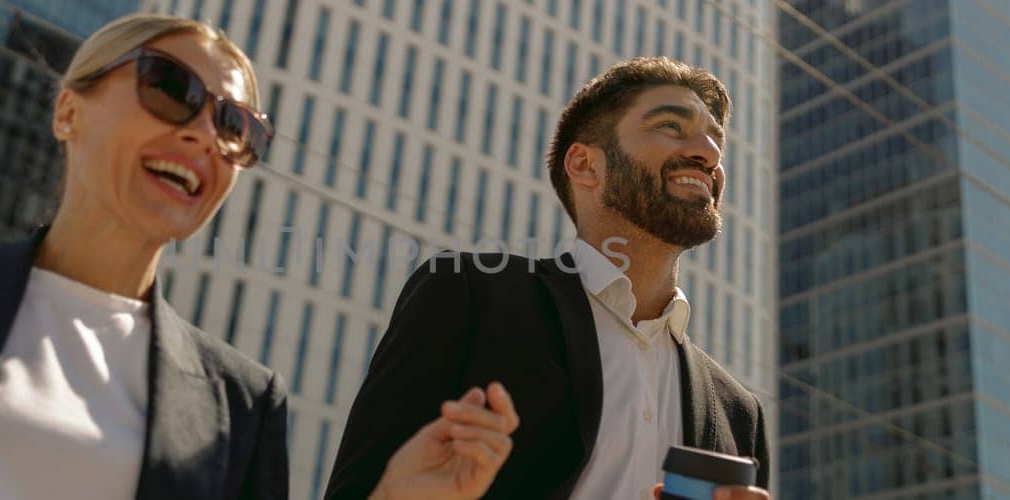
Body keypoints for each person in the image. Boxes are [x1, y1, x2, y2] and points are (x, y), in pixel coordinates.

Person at [0, 14, 517, 500]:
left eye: (239, 126)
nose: (207, 132)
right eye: (171, 88)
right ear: (69, 109)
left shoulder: (244, 403)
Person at [327, 57, 772, 500]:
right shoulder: (469, 297)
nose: (710, 153)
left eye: (716, 140)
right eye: (671, 127)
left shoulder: (740, 412)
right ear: (584, 165)